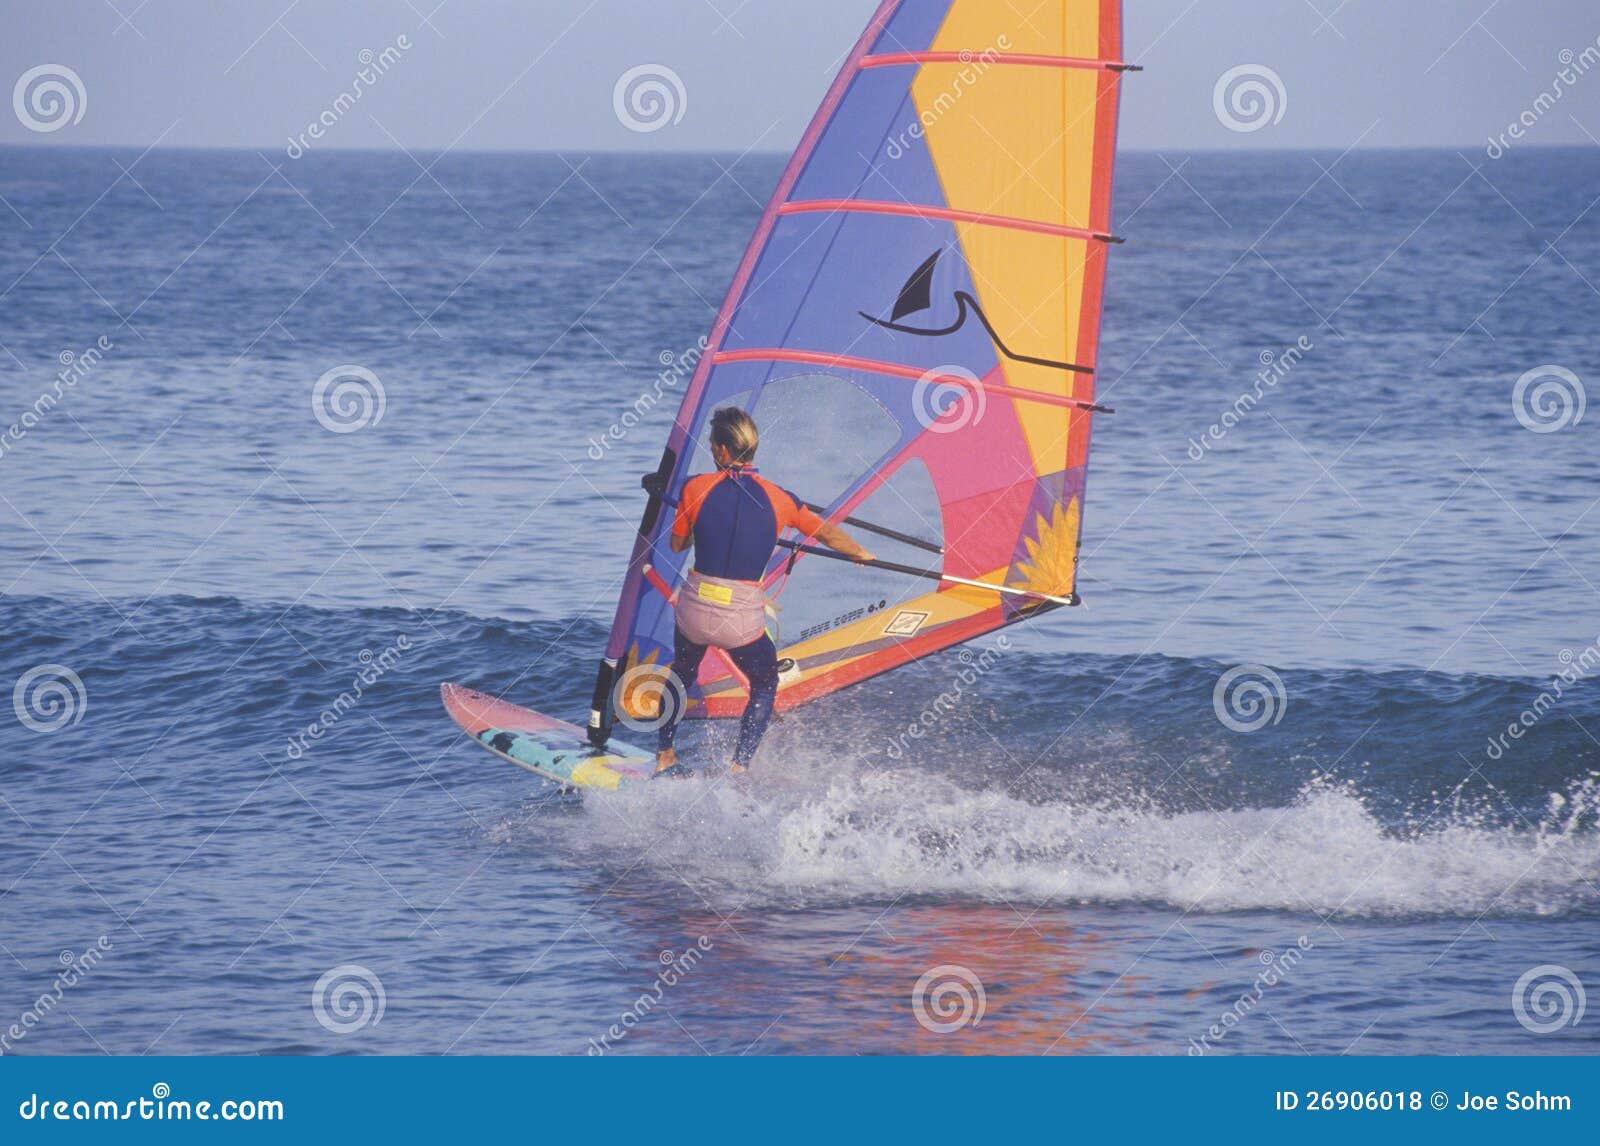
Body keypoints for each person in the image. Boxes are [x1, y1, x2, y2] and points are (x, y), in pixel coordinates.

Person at [656, 407, 873, 777]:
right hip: (739, 620)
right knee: (764, 681)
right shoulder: (781, 499)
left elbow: (677, 546)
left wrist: (695, 525)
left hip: (693, 608)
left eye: (712, 443)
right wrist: (859, 553)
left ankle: (664, 755)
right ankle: (739, 767)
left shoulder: (694, 488)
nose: (710, 449)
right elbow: (825, 532)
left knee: (681, 672)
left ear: (723, 451)